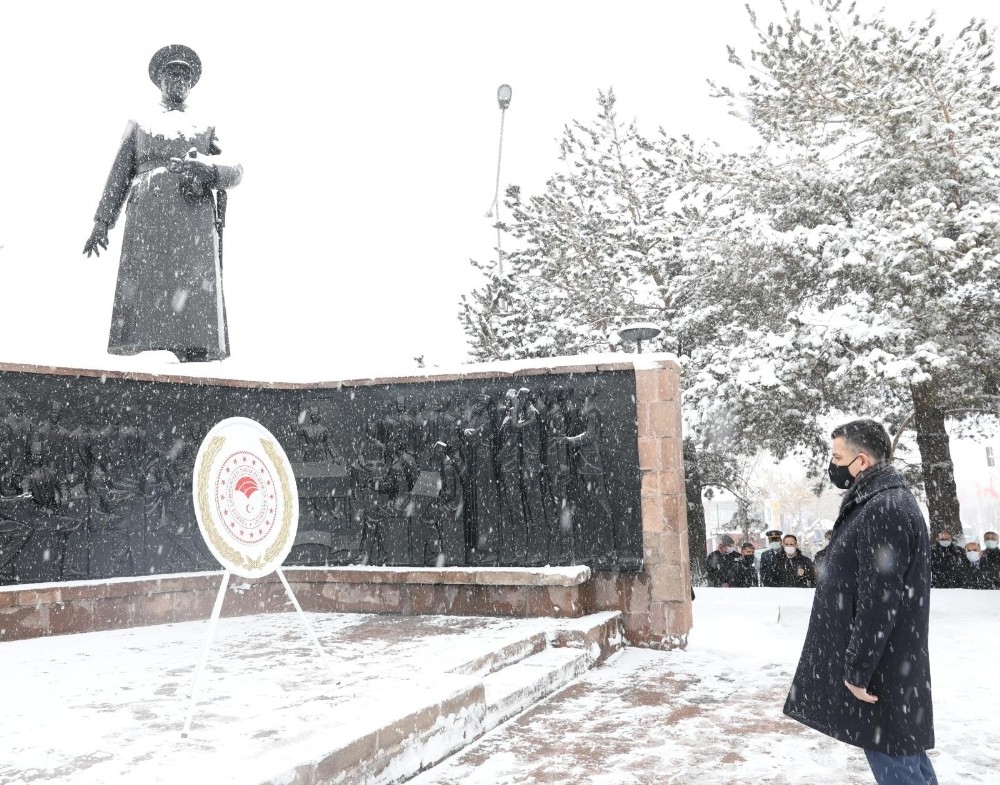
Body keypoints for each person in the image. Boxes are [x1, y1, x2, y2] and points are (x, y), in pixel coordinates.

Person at [784, 419, 936, 785]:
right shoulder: (880, 500)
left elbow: (880, 597)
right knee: (903, 752)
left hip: (883, 669)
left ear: (862, 461)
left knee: (895, 760)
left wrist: (858, 669)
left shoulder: (884, 507)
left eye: (838, 456)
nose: (833, 464)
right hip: (892, 664)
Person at [83, 45, 243, 363]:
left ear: (192, 83)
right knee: (143, 297)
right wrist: (102, 223)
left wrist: (210, 171)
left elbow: (236, 171)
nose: (179, 79)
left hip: (191, 218)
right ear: (160, 80)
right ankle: (146, 359)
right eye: (172, 72)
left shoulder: (206, 127)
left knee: (192, 297)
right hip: (147, 216)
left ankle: (193, 353)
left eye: (185, 74)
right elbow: (119, 174)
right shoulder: (141, 123)